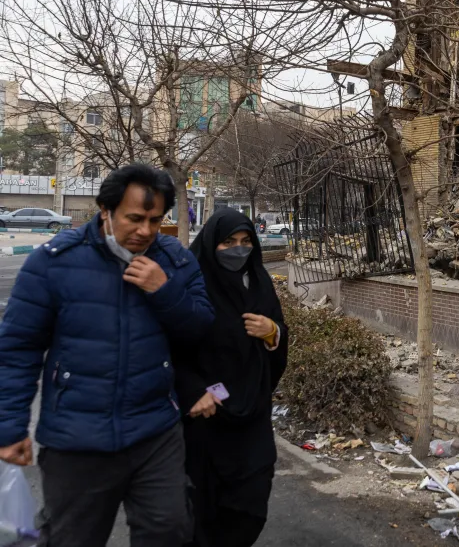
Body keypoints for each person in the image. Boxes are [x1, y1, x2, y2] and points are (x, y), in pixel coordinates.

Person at [0, 164, 214, 547]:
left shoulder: (176, 261)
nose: (146, 231)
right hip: (77, 437)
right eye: (134, 218)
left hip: (155, 431)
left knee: (170, 530)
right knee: (73, 538)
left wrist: (164, 291)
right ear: (105, 210)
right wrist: (10, 426)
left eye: (155, 219)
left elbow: (200, 329)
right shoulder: (53, 263)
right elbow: (17, 349)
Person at [174, 209, 289, 547]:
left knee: (251, 502)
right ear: (211, 244)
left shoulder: (258, 280)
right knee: (201, 511)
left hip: (251, 412)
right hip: (205, 418)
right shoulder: (190, 284)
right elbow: (169, 348)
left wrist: (273, 333)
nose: (239, 250)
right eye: (228, 242)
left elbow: (279, 332)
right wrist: (194, 390)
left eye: (245, 242)